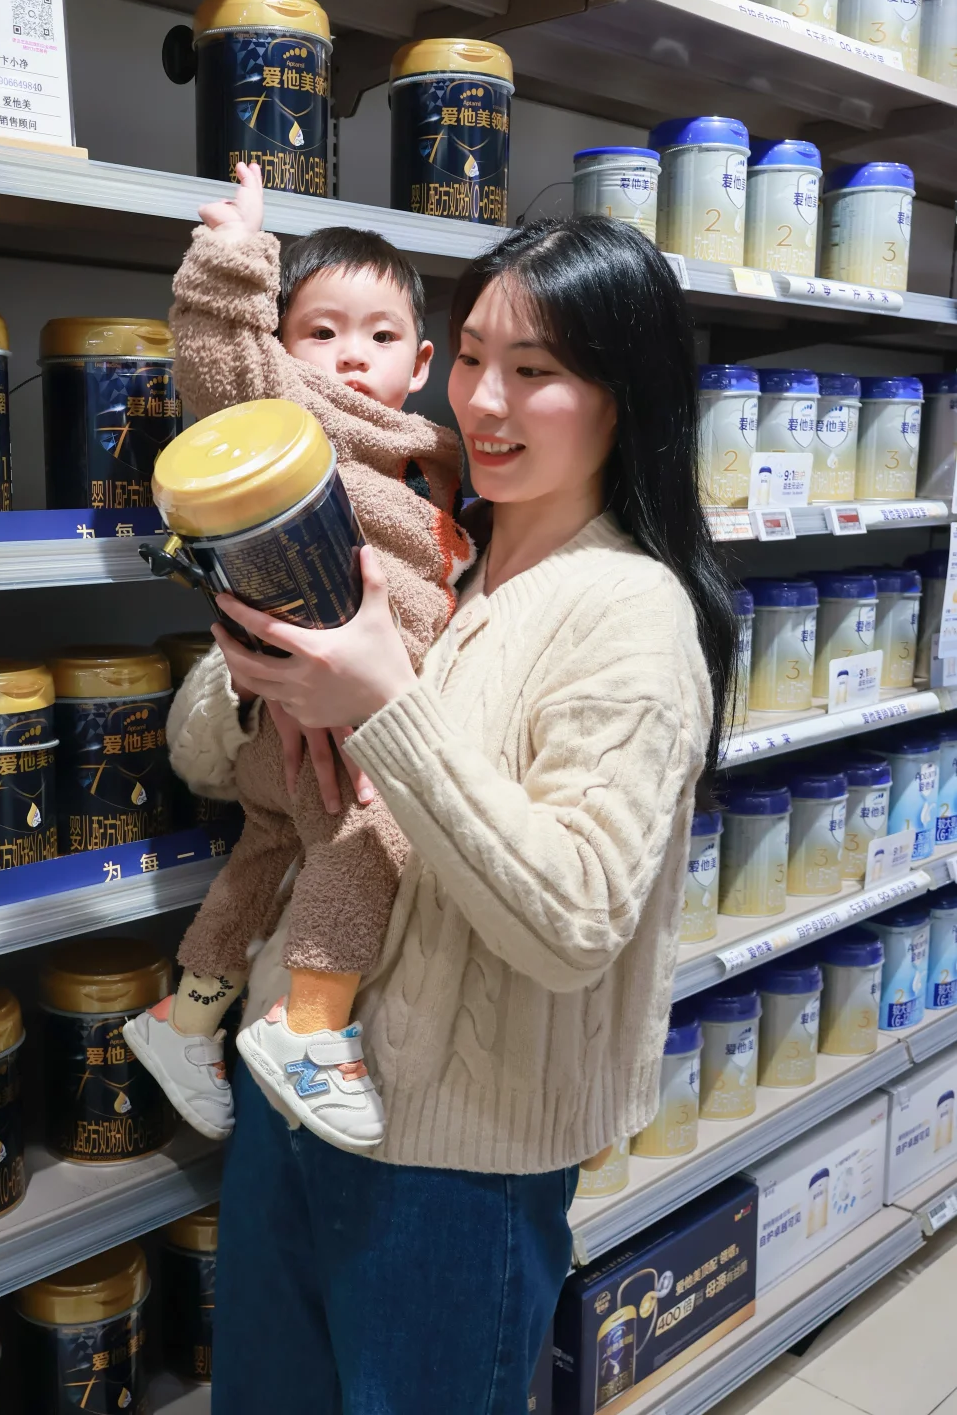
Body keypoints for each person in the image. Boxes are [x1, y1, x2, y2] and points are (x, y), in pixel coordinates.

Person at [166, 214, 737, 1412]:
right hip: (285, 1099)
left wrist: (382, 702)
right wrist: (256, 676)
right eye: (473, 356)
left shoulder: (630, 613)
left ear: (625, 394)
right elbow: (205, 761)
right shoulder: (428, 551)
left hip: (451, 1170)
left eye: (536, 370)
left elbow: (574, 920)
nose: (484, 400)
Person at [125, 161, 474, 1150]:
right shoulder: (291, 412)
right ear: (280, 342)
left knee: (265, 854)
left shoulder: (424, 452)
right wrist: (230, 261)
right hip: (328, 721)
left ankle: (183, 1018)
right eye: (320, 330)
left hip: (320, 723)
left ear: (421, 360)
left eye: (380, 335)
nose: (349, 355)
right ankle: (312, 1026)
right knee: (371, 837)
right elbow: (219, 371)